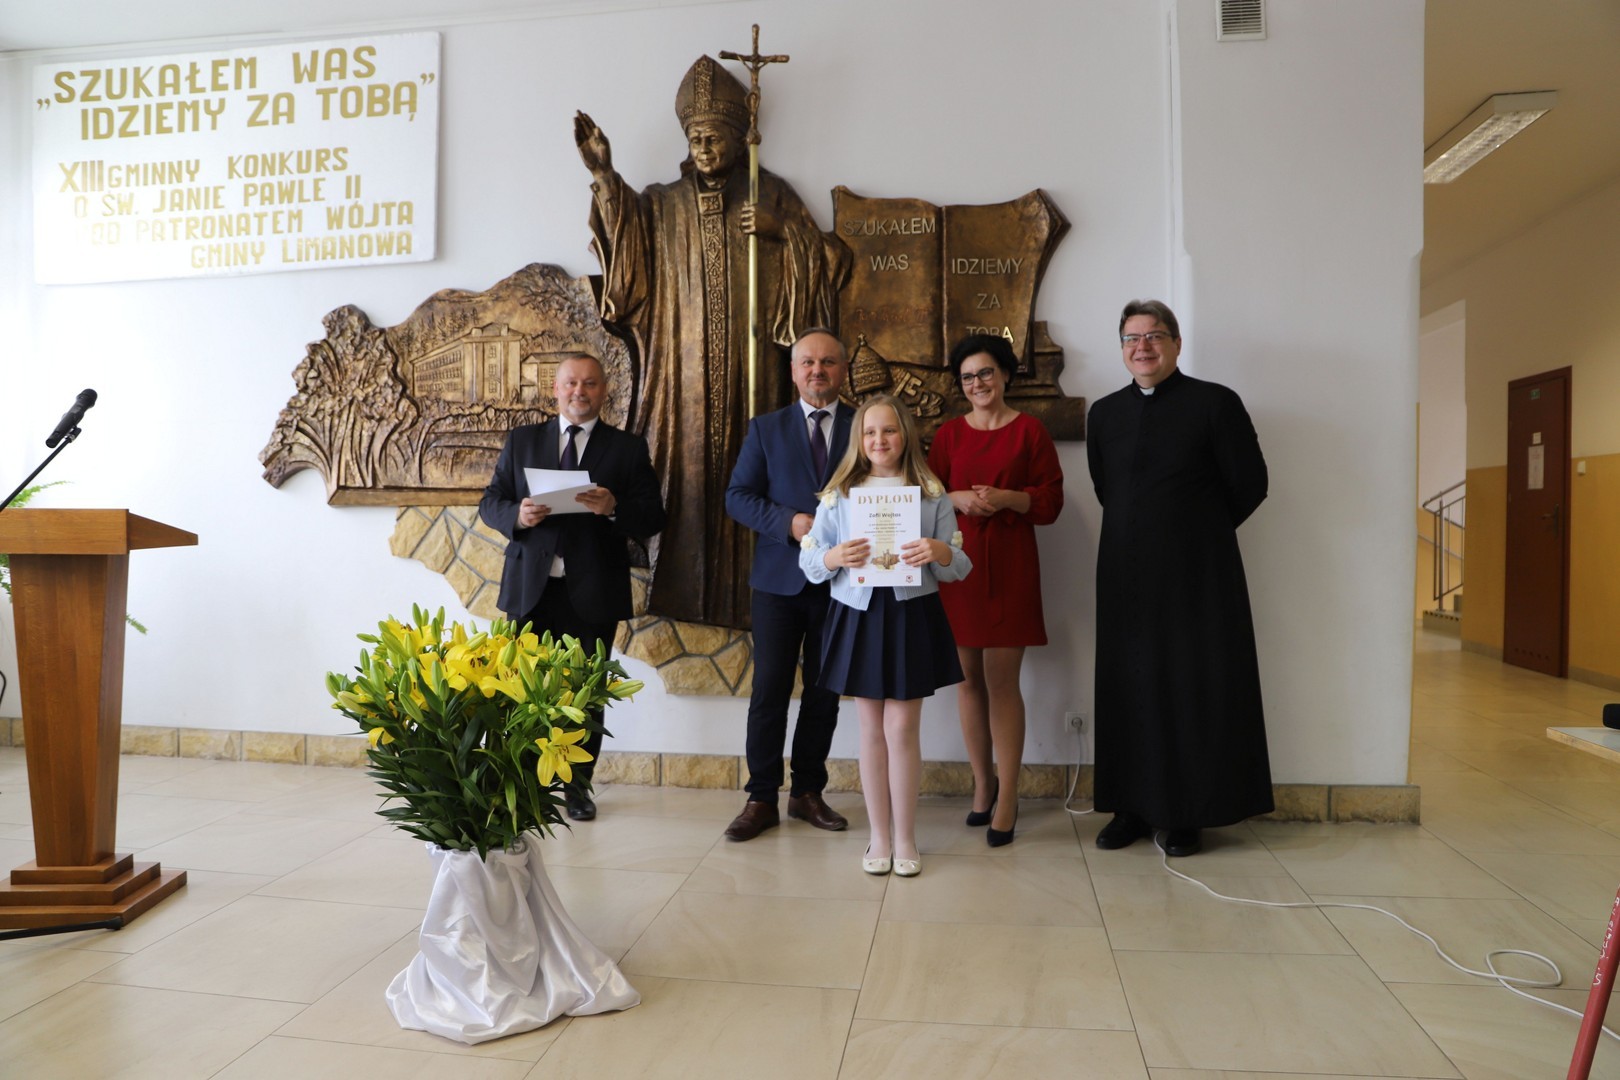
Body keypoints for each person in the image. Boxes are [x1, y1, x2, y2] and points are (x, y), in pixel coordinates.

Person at [575, 55, 850, 630]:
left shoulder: (770, 193)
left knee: (759, 473)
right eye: (695, 138)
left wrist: (784, 232)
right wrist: (605, 176)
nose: (703, 147)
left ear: (737, 136)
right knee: (686, 476)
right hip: (684, 373)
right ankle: (684, 589)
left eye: (715, 137)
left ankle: (760, 589)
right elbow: (627, 256)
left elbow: (832, 258)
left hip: (756, 369)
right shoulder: (662, 202)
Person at [1086, 300, 1271, 857]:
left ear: (1176, 343)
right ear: (1122, 348)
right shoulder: (1104, 414)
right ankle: (1130, 808)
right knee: (1128, 686)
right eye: (1132, 338)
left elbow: (1251, 484)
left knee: (1191, 686)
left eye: (1154, 336)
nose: (1142, 346)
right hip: (1123, 577)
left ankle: (1189, 812)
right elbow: (1106, 488)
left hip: (1197, 579)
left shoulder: (1215, 403)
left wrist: (1196, 535)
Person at [478, 354, 667, 821]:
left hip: (593, 591)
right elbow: (491, 501)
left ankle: (577, 789)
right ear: (556, 389)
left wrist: (614, 506)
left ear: (604, 390)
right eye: (570, 383)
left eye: (589, 384)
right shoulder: (523, 440)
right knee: (523, 690)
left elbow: (653, 517)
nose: (579, 392)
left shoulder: (626, 448)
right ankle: (525, 785)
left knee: (585, 695)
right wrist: (518, 516)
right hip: (531, 589)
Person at [799, 395, 971, 877]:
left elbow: (959, 566)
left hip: (910, 614)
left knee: (902, 729)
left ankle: (906, 838)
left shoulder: (930, 492)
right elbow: (811, 562)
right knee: (871, 729)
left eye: (889, 430)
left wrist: (939, 551)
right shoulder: (840, 494)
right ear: (859, 439)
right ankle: (879, 836)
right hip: (858, 613)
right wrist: (834, 558)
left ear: (905, 435)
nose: (879, 440)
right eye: (870, 432)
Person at [927, 334, 1064, 848]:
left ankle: (1009, 797)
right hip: (959, 569)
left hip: (1010, 568)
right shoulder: (948, 435)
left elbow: (1051, 503)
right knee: (967, 681)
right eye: (968, 377)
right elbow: (928, 499)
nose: (978, 383)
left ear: (1005, 374)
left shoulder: (1030, 431)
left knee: (1002, 682)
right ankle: (982, 785)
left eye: (986, 372)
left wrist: (1010, 498)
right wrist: (956, 497)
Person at [721, 329, 855, 842]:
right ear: (794, 371)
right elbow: (738, 496)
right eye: (807, 362)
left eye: (828, 362)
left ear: (843, 369)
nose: (817, 370)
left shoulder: (865, 426)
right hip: (779, 582)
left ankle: (807, 793)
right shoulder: (766, 429)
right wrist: (789, 522)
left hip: (844, 581)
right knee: (769, 690)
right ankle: (761, 797)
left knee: (824, 692)